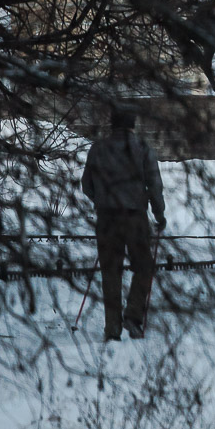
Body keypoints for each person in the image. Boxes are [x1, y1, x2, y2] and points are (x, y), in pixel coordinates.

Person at [80, 109, 166, 340]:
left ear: (112, 125)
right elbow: (154, 185)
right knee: (144, 266)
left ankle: (112, 328)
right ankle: (133, 316)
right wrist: (159, 214)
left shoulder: (98, 148)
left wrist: (102, 200)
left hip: (106, 217)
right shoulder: (143, 148)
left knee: (110, 272)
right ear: (132, 124)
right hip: (135, 216)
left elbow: (86, 185)